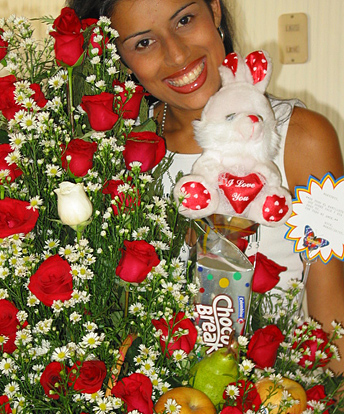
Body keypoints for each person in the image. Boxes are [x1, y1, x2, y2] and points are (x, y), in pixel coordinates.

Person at [67, 0, 344, 373]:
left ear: (214, 10)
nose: (177, 54)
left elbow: (334, 316)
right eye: (143, 43)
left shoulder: (304, 140)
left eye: (184, 19)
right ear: (117, 57)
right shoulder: (119, 154)